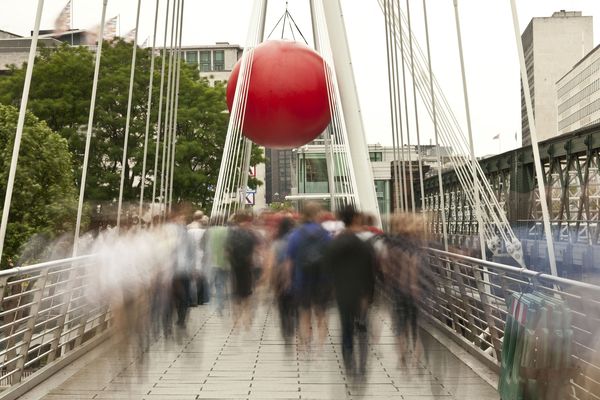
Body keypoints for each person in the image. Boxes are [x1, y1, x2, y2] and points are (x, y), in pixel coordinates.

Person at [327, 205, 377, 378]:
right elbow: (369, 271)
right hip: (360, 293)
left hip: (342, 292)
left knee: (346, 328)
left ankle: (349, 364)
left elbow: (329, 269)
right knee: (362, 329)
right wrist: (369, 296)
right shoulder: (363, 244)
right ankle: (362, 366)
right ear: (355, 218)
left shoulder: (335, 243)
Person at [286, 201, 331, 351]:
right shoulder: (325, 234)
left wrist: (288, 279)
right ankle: (320, 347)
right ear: (318, 214)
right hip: (322, 279)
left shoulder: (296, 234)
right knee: (321, 314)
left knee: (304, 314)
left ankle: (305, 344)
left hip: (302, 279)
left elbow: (289, 261)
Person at [226, 210, 260, 329]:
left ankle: (236, 321)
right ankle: (246, 319)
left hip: (234, 267)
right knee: (246, 294)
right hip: (247, 267)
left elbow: (227, 250)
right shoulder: (250, 233)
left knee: (236, 294)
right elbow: (257, 249)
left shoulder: (231, 233)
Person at [266, 217, 297, 345]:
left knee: (282, 305)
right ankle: (293, 325)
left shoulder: (276, 243)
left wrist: (269, 280)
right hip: (295, 275)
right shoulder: (296, 241)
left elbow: (271, 264)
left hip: (279, 277)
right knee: (294, 304)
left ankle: (286, 331)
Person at [203, 218, 230, 316]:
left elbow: (202, 246)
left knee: (210, 283)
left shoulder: (208, 231)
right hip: (223, 262)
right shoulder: (226, 231)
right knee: (220, 284)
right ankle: (220, 304)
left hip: (210, 261)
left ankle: (210, 304)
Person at [188, 210, 208, 305]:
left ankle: (192, 300)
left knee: (192, 279)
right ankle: (199, 299)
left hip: (190, 256)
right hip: (200, 256)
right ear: (201, 218)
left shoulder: (188, 228)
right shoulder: (203, 231)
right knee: (200, 278)